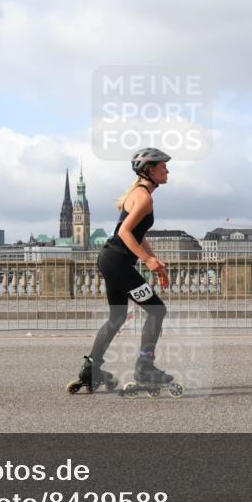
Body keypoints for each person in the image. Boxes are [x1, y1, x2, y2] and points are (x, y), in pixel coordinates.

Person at [67, 148, 173, 394]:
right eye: (163, 166)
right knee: (157, 309)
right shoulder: (144, 197)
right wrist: (147, 260)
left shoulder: (139, 193)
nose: (167, 170)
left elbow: (139, 234)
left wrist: (155, 262)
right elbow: (125, 233)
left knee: (117, 317)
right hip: (117, 261)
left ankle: (90, 369)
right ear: (149, 170)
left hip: (111, 259)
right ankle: (145, 367)